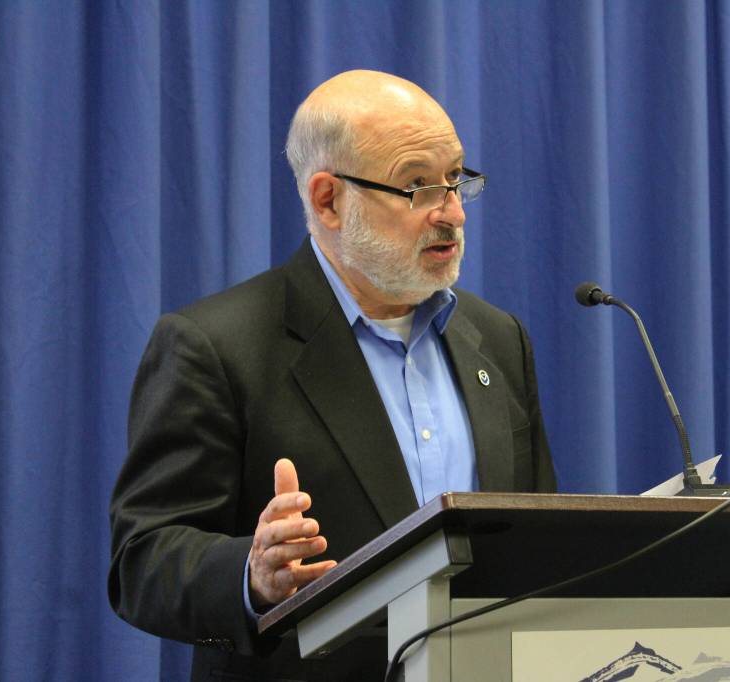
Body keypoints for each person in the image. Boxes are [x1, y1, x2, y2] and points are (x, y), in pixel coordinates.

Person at [108, 69, 556, 681]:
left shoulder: (498, 340)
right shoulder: (214, 346)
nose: (451, 212)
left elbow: (539, 541)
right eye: (418, 187)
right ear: (328, 200)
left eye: (455, 179)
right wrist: (250, 574)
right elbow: (143, 562)